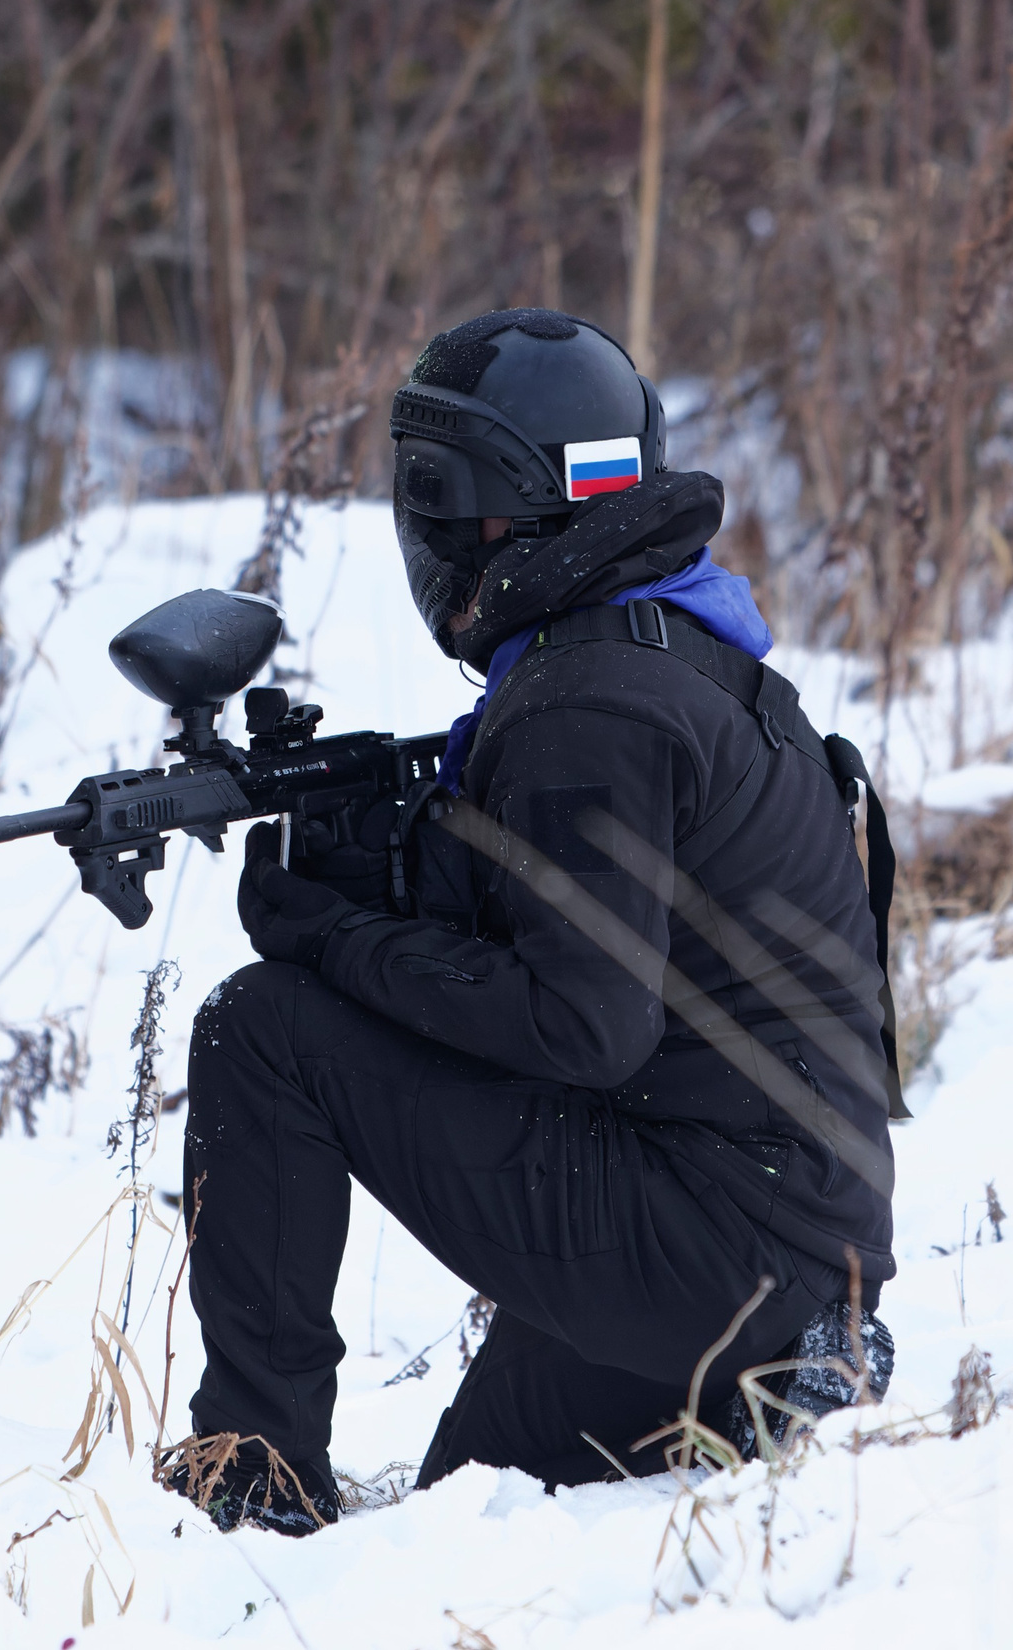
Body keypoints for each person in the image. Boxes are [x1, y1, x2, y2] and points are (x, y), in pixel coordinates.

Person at [166, 308, 907, 1534]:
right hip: (788, 1245)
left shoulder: (582, 707)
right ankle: (761, 1388)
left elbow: (579, 1020)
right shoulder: (668, 642)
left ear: (477, 508)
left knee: (262, 1024)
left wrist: (329, 939)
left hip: (704, 1242)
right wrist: (391, 866)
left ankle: (252, 1481)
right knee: (469, 1508)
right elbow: (599, 929)